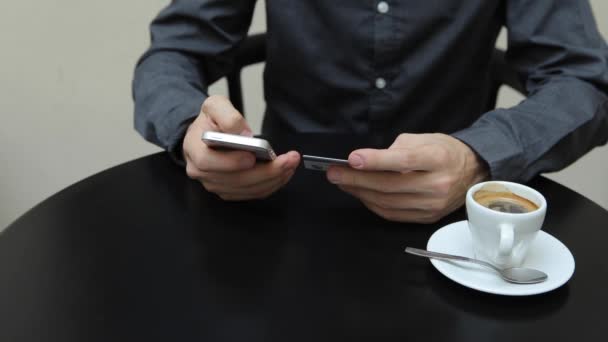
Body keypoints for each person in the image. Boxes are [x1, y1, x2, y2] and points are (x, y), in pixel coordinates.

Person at [133, 1, 608, 223]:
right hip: (279, 201)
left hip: (456, 221)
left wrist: (477, 156)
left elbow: (586, 82)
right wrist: (188, 126)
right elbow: (173, 53)